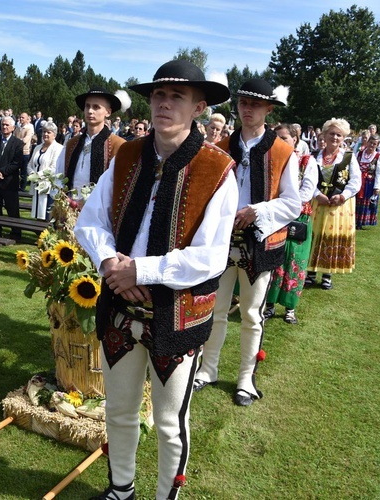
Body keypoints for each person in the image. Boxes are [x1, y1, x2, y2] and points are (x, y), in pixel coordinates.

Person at [75, 60, 237, 500]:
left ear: (199, 106)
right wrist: (112, 265)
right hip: (120, 306)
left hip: (177, 314)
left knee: (169, 422)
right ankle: (121, 489)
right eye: (159, 96)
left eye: (177, 97)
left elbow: (210, 257)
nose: (164, 104)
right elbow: (89, 222)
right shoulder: (126, 154)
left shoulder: (217, 168)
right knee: (120, 410)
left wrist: (140, 270)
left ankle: (167, 496)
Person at [196, 79, 301, 407]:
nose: (248, 108)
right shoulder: (222, 146)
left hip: (260, 244)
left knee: (252, 314)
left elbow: (293, 203)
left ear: (269, 109)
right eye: (243, 102)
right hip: (222, 243)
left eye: (255, 104)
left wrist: (258, 211)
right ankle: (208, 369)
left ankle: (245, 378)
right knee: (215, 309)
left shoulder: (283, 151)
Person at [263, 124, 319, 324]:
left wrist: (286, 205)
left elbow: (307, 191)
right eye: (276, 138)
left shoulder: (307, 161)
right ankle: (268, 305)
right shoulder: (272, 159)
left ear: (295, 139)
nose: (280, 142)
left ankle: (289, 308)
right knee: (273, 261)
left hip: (298, 219)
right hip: (276, 219)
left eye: (284, 138)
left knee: (295, 263)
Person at [306, 118, 361, 290]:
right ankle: (310, 272)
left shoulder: (349, 157)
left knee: (332, 237)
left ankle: (327, 274)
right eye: (332, 134)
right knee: (314, 235)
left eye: (338, 135)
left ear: (343, 137)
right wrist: (316, 194)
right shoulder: (314, 156)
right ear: (324, 135)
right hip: (318, 203)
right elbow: (307, 180)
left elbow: (355, 181)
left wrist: (343, 196)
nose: (335, 137)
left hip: (339, 207)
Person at [55, 88, 128, 198]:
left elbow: (121, 186)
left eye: (96, 107)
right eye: (87, 106)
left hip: (100, 212)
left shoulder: (118, 145)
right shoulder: (72, 144)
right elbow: (59, 176)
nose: (90, 111)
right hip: (69, 209)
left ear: (108, 112)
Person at [0, 116, 23, 239]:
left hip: (9, 181)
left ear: (13, 128)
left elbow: (16, 163)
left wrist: (2, 173)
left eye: (7, 125)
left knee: (12, 208)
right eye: (3, 124)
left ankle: (16, 232)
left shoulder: (18, 144)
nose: (4, 127)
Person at [26, 121, 63, 220]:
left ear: (54, 135)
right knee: (37, 215)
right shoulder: (37, 147)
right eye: (44, 132)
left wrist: (38, 175)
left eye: (48, 132)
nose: (45, 134)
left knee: (47, 216)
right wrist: (32, 174)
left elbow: (54, 168)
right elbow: (29, 164)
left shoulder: (59, 148)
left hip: (49, 187)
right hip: (36, 185)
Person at [354, 134, 380, 229]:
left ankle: (361, 222)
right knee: (356, 201)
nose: (371, 145)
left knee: (365, 202)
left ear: (377, 145)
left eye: (374, 144)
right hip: (358, 181)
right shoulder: (359, 153)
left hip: (369, 184)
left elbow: (379, 172)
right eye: (370, 143)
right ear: (367, 142)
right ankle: (354, 220)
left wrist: (377, 187)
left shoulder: (378, 156)